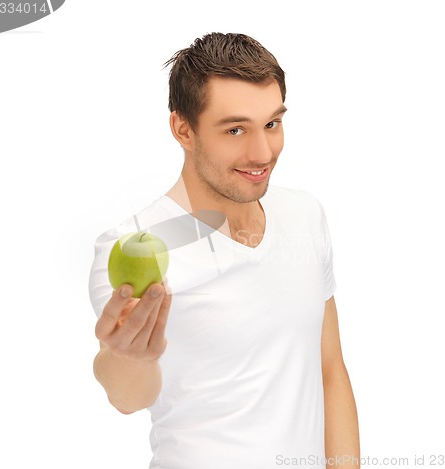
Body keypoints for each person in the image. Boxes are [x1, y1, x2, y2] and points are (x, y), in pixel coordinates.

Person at [89, 32, 360, 469]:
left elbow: (330, 368)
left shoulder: (305, 214)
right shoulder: (136, 244)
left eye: (271, 124)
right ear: (183, 129)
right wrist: (127, 355)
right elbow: (126, 395)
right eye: (235, 129)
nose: (262, 152)